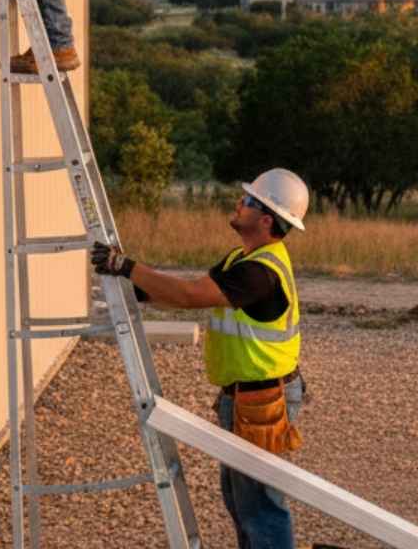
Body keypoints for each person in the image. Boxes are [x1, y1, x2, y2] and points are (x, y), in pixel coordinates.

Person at [92, 168, 311, 549]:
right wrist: (139, 291)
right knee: (241, 502)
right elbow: (191, 294)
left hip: (262, 401)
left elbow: (190, 296)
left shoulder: (260, 272)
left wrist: (126, 267)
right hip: (247, 397)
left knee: (260, 507)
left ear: (265, 219)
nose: (238, 203)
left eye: (247, 201)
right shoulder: (242, 259)